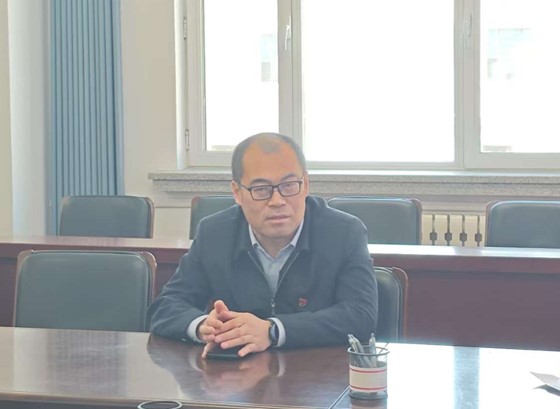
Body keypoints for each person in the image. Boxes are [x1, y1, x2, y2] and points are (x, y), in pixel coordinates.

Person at [148, 132, 377, 358]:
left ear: (306, 185)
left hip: (318, 372)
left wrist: (272, 330)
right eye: (261, 189)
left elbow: (361, 316)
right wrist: (204, 326)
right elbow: (166, 306)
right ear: (237, 193)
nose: (277, 201)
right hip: (235, 374)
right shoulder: (214, 234)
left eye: (289, 185)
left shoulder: (344, 232)